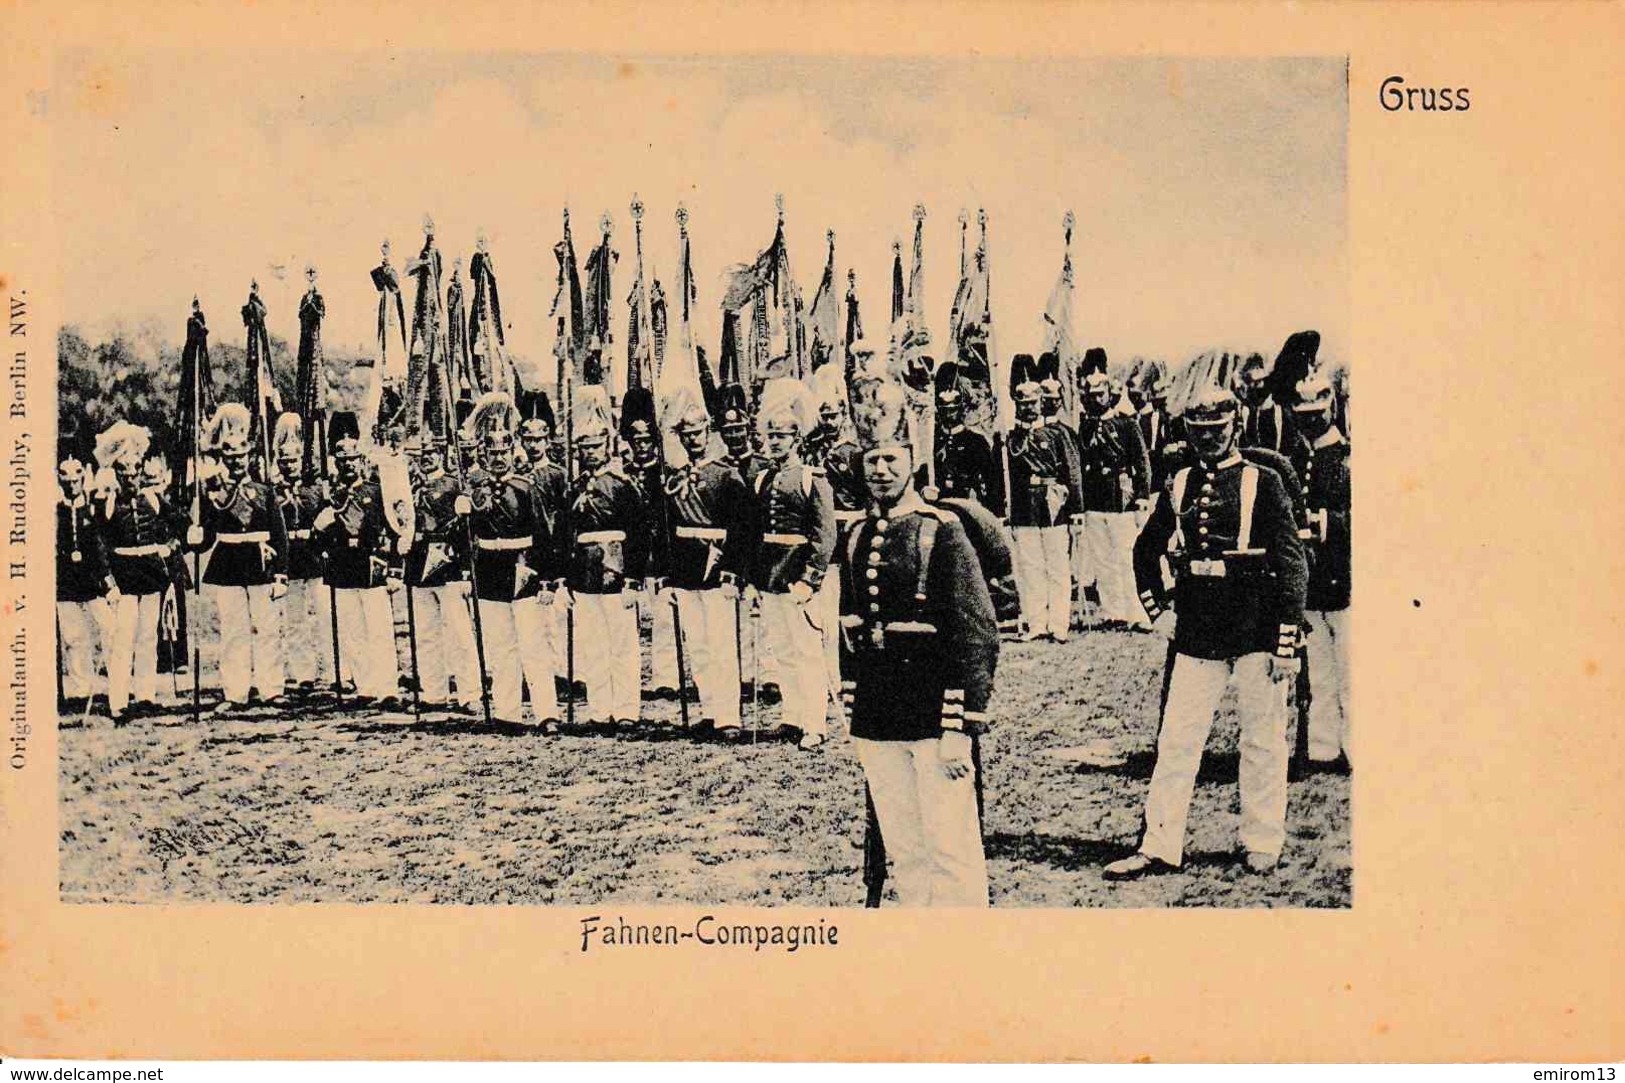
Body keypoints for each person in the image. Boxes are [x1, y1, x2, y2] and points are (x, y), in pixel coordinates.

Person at [1106, 384, 1308, 880]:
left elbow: (1291, 562)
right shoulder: (1178, 483)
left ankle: (1262, 839)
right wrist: (1159, 612)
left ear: (1234, 426)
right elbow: (1144, 551)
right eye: (1198, 433)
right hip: (1198, 628)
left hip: (1256, 625)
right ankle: (1159, 844)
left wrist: (1286, 640)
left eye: (1216, 431)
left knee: (1262, 738)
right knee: (1177, 739)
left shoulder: (1264, 481)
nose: (1208, 441)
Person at [839, 378, 999, 906]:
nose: (880, 470)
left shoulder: (943, 530)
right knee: (905, 849)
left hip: (934, 713)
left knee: (950, 845)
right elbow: (850, 626)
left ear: (911, 459)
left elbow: (975, 635)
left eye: (890, 457)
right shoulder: (858, 534)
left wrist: (960, 726)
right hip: (880, 714)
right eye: (871, 460)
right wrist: (853, 706)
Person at [655, 384, 753, 737]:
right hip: (686, 568)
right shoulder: (673, 479)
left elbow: (741, 530)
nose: (693, 440)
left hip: (717, 568)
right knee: (697, 643)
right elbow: (666, 530)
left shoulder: (726, 475)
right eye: (686, 435)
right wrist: (667, 575)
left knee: (723, 644)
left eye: (698, 433)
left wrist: (732, 572)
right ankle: (710, 710)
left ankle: (729, 716)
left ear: (708, 433)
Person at [749, 378, 837, 750]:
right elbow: (757, 536)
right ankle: (793, 716)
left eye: (782, 438)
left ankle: (815, 724)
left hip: (799, 576)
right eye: (771, 438)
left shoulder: (810, 478)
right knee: (782, 650)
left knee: (806, 651)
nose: (775, 444)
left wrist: (810, 579)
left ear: (796, 440)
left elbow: (824, 536)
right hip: (772, 576)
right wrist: (756, 580)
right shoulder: (762, 479)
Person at [192, 403, 290, 712]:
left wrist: (281, 573)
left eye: (240, 457)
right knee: (233, 632)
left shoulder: (264, 491)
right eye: (229, 457)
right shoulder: (212, 492)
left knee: (267, 629)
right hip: (228, 564)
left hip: (261, 563)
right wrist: (194, 536)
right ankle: (235, 693)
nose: (235, 462)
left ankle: (271, 689)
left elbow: (279, 535)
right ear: (223, 458)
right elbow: (206, 536)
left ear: (249, 457)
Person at [563, 386, 649, 729]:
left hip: (616, 571)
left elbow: (639, 535)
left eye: (596, 446)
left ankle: (627, 709)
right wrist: (567, 581)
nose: (591, 453)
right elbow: (566, 538)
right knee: (593, 645)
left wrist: (633, 579)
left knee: (623, 644)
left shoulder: (623, 484)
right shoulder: (574, 487)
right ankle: (600, 709)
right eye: (585, 448)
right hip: (584, 576)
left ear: (607, 446)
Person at [461, 392, 542, 725]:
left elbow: (544, 535)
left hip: (521, 567)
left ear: (513, 452)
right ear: (484, 454)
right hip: (489, 569)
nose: (498, 459)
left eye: (503, 452)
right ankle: (507, 711)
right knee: (500, 644)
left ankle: (546, 712)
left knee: (532, 644)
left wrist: (545, 576)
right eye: (491, 453)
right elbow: (466, 539)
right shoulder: (474, 490)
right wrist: (461, 512)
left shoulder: (525, 487)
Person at [313, 412, 400, 707]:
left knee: (379, 629)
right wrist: (319, 527)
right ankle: (366, 687)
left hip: (371, 566)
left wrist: (394, 570)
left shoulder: (375, 492)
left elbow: (393, 530)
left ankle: (388, 688)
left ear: (361, 460)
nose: (348, 464)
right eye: (342, 460)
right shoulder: (330, 495)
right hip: (342, 568)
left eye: (352, 459)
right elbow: (320, 541)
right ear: (336, 463)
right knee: (351, 632)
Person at [1287, 371, 1351, 769]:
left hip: (1344, 578)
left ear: (1331, 408)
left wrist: (1325, 522)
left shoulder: (1347, 457)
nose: (1310, 421)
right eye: (1303, 414)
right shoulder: (1298, 459)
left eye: (1316, 412)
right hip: (1313, 582)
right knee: (1321, 672)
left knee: (1350, 670)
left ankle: (1355, 747)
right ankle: (1324, 747)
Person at [95, 422, 175, 723]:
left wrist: (173, 543)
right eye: (124, 472)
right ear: (116, 474)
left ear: (141, 471)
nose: (130, 477)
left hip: (151, 576)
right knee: (122, 639)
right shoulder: (108, 503)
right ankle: (118, 701)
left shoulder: (153, 499)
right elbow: (99, 544)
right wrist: (108, 581)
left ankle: (146, 695)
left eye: (134, 471)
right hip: (124, 579)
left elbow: (178, 523)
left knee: (147, 638)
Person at [1004, 353, 1082, 642]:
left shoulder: (1057, 434)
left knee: (1057, 566)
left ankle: (1058, 623)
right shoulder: (1010, 440)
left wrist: (1076, 510)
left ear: (1041, 403)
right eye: (1023, 404)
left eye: (1033, 404)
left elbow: (1072, 474)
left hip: (1053, 505)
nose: (1028, 409)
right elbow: (1009, 476)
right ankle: (1036, 622)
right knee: (1031, 566)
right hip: (1025, 508)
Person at [403, 431, 481, 715]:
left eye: (431, 452)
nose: (426, 457)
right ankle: (433, 692)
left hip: (446, 564)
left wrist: (464, 571)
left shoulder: (452, 486)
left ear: (440, 453)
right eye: (421, 453)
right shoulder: (409, 488)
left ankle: (469, 693)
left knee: (459, 632)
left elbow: (465, 534)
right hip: (418, 564)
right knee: (425, 633)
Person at [1076, 368, 1153, 630]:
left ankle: (1137, 612)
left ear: (1110, 395)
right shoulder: (1084, 428)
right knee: (1103, 560)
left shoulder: (1126, 424)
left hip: (1122, 501)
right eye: (1092, 395)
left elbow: (1142, 463)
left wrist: (1142, 496)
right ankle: (1113, 611)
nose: (1096, 400)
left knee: (1127, 558)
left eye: (1101, 394)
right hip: (1095, 502)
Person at [622, 387, 679, 700]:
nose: (642, 446)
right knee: (628, 618)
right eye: (636, 441)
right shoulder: (624, 474)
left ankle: (666, 676)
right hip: (632, 553)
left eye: (646, 440)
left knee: (664, 617)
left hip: (660, 551)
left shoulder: (666, 473)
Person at [272, 412, 332, 696]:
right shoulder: (273, 491)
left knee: (325, 615)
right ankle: (303, 673)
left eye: (293, 460)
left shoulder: (317, 489)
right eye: (284, 461)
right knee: (294, 620)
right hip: (290, 560)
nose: (289, 465)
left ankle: (335, 671)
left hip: (315, 556)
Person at [57, 432, 115, 713]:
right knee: (73, 637)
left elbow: (103, 546)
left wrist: (108, 580)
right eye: (65, 475)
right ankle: (81, 689)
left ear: (85, 475)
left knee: (110, 629)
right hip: (66, 583)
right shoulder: (54, 511)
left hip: (94, 581)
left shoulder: (96, 507)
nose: (71, 481)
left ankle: (118, 686)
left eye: (77, 473)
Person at [925, 359, 999, 509]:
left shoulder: (976, 442)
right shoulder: (931, 442)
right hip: (937, 508)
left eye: (953, 408)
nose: (949, 413)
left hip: (968, 508)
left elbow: (992, 482)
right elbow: (920, 478)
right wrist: (923, 491)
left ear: (963, 407)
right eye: (944, 408)